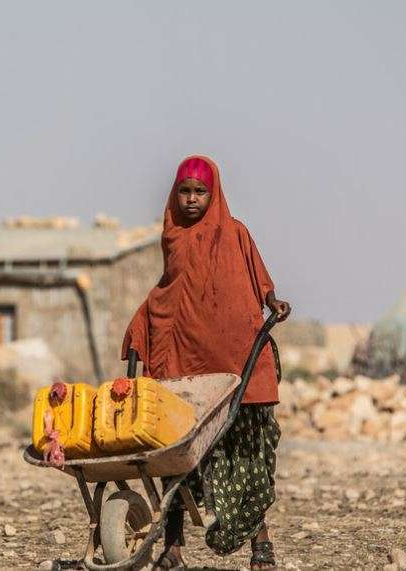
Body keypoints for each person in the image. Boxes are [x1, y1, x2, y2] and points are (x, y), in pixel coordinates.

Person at [122, 155, 291, 570]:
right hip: (187, 366)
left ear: (214, 195)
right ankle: (173, 548)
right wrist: (141, 325)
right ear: (174, 194)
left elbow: (258, 279)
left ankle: (260, 542)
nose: (192, 199)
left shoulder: (236, 233)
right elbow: (169, 291)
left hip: (236, 361)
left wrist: (272, 302)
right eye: (185, 191)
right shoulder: (174, 237)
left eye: (200, 192)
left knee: (249, 453)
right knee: (178, 454)